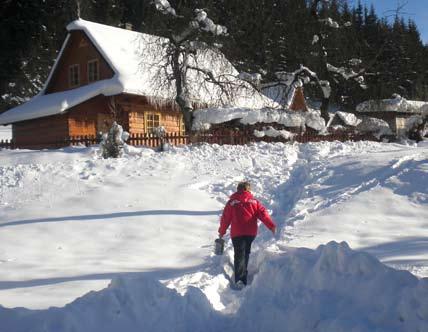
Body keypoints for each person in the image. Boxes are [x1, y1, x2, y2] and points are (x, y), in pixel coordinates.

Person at [218, 181, 276, 289]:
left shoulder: (231, 202)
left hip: (237, 233)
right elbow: (263, 215)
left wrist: (221, 232)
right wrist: (271, 226)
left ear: (238, 189)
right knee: (245, 253)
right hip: (250, 233)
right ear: (248, 190)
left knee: (239, 254)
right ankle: (242, 273)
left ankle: (240, 279)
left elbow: (226, 218)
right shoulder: (254, 202)